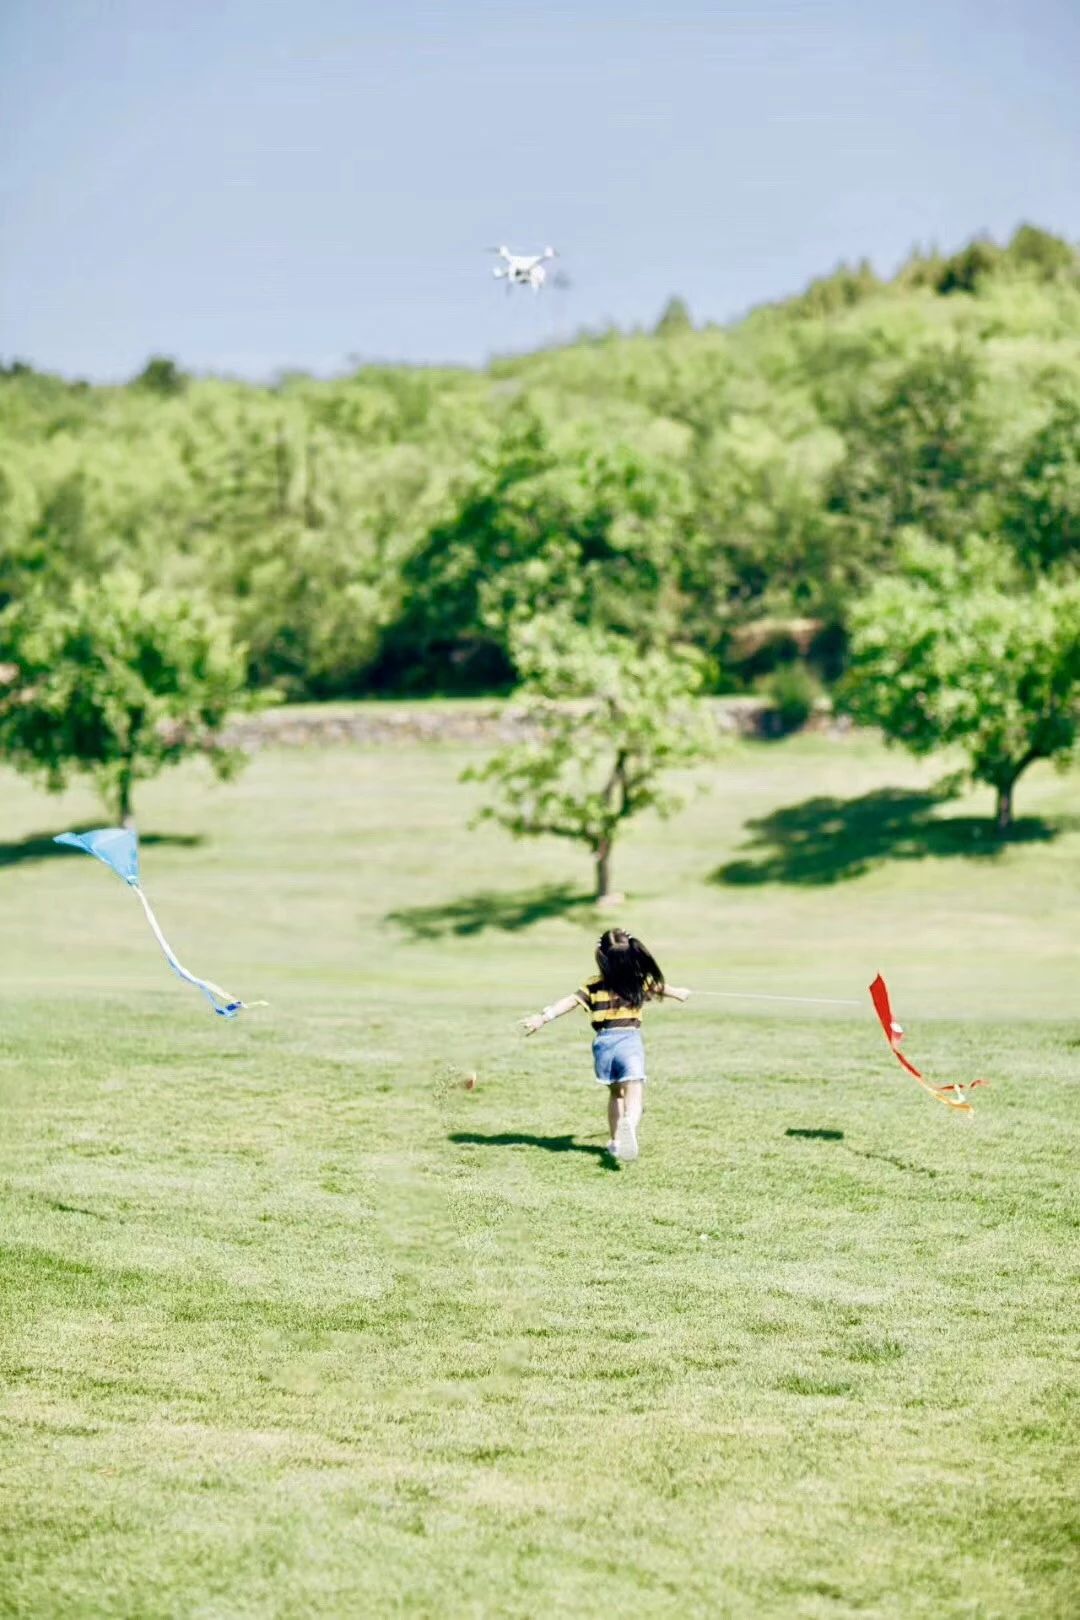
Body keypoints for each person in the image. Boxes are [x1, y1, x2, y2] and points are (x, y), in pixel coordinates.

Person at [521, 928, 690, 1161]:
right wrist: (679, 993)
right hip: (629, 1040)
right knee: (635, 1087)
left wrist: (543, 1017)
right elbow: (662, 988)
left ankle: (615, 1142)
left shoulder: (593, 985)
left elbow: (569, 1002)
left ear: (601, 956)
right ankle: (630, 1121)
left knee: (616, 1093)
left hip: (604, 1044)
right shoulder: (639, 981)